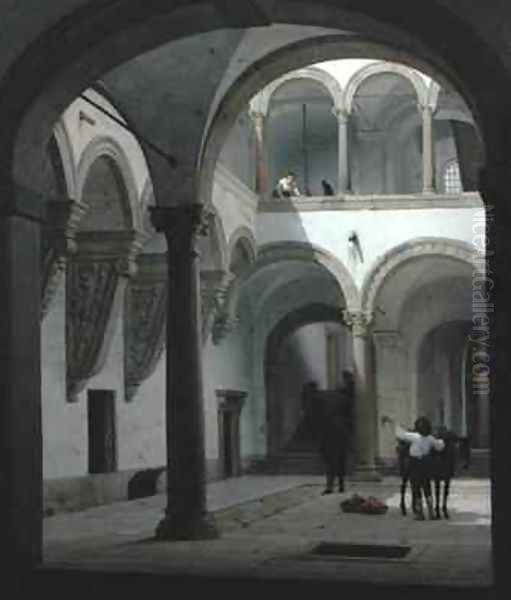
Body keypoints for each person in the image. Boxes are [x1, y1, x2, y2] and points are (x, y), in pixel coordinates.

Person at [382, 415, 445, 520]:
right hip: (426, 463)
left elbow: (401, 434)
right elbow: (440, 446)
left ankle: (419, 513)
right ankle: (431, 512)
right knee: (427, 487)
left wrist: (392, 422)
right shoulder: (430, 438)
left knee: (416, 488)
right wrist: (441, 440)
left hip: (414, 463)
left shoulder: (414, 437)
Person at [319, 388, 350, 495]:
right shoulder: (344, 403)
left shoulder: (326, 417)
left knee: (331, 463)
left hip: (331, 437)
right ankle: (340, 485)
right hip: (340, 436)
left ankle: (330, 486)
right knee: (340, 461)